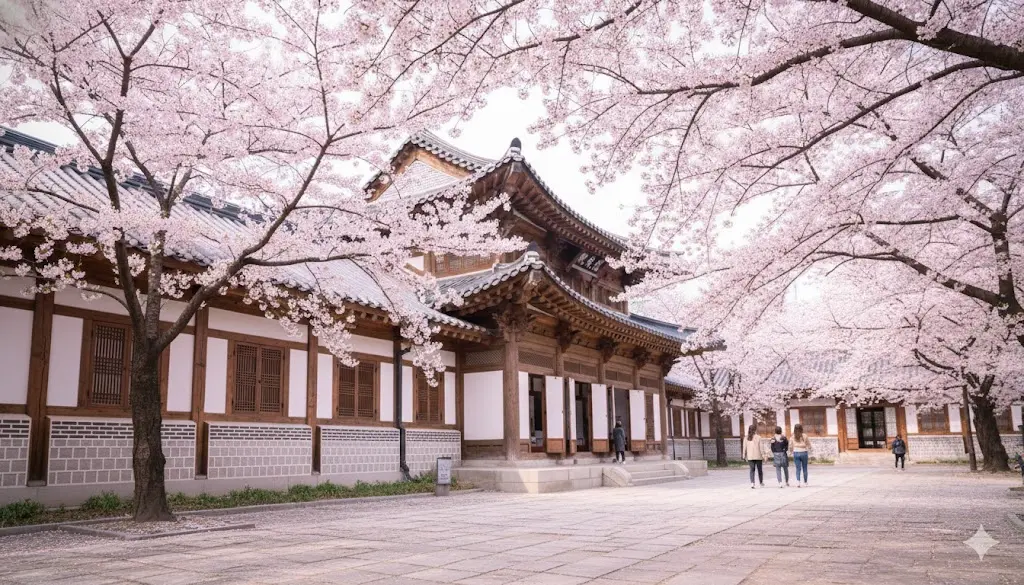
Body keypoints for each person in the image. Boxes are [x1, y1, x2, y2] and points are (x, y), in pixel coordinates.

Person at [742, 424, 765, 489]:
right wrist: (763, 455)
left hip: (750, 456)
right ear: (755, 430)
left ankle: (752, 483)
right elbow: (761, 448)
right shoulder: (758, 437)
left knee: (752, 470)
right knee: (760, 470)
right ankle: (761, 482)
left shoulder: (746, 438)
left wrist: (743, 455)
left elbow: (744, 447)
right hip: (758, 456)